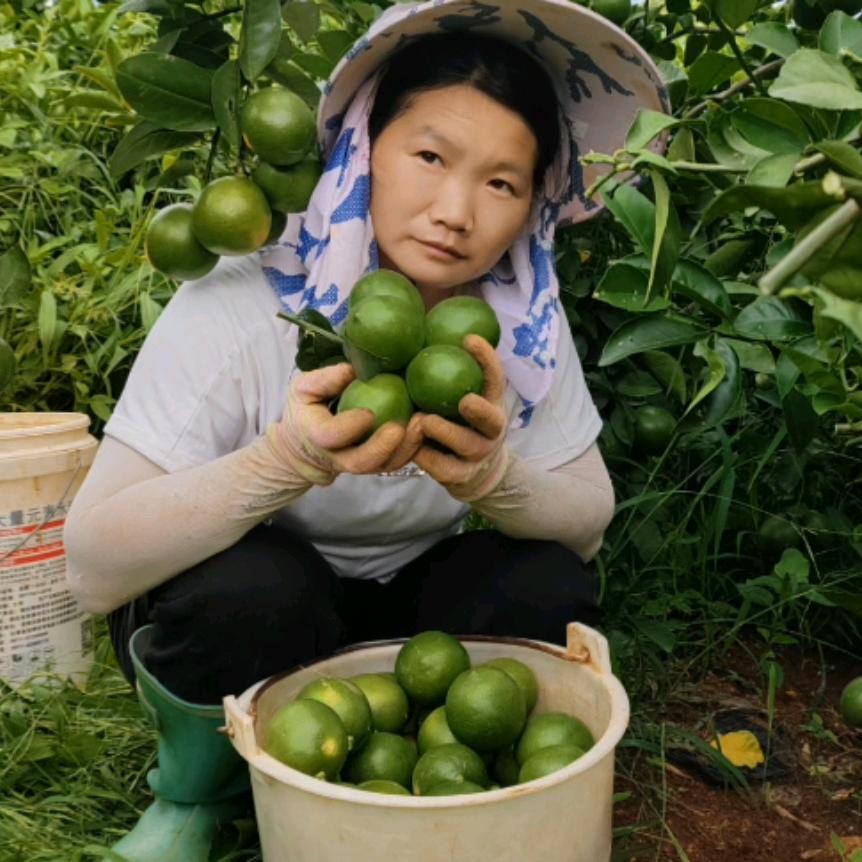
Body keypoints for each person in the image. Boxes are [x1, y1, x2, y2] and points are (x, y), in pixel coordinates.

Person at [64, 0, 668, 858]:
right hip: (265, 608)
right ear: (363, 149)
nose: (457, 212)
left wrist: (498, 479)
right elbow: (92, 568)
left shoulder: (516, 319)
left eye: (502, 182)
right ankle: (195, 793)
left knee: (538, 585)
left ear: (533, 202)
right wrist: (280, 463)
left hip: (402, 628)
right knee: (256, 591)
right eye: (430, 156)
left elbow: (585, 521)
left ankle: (438, 767)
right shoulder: (244, 299)